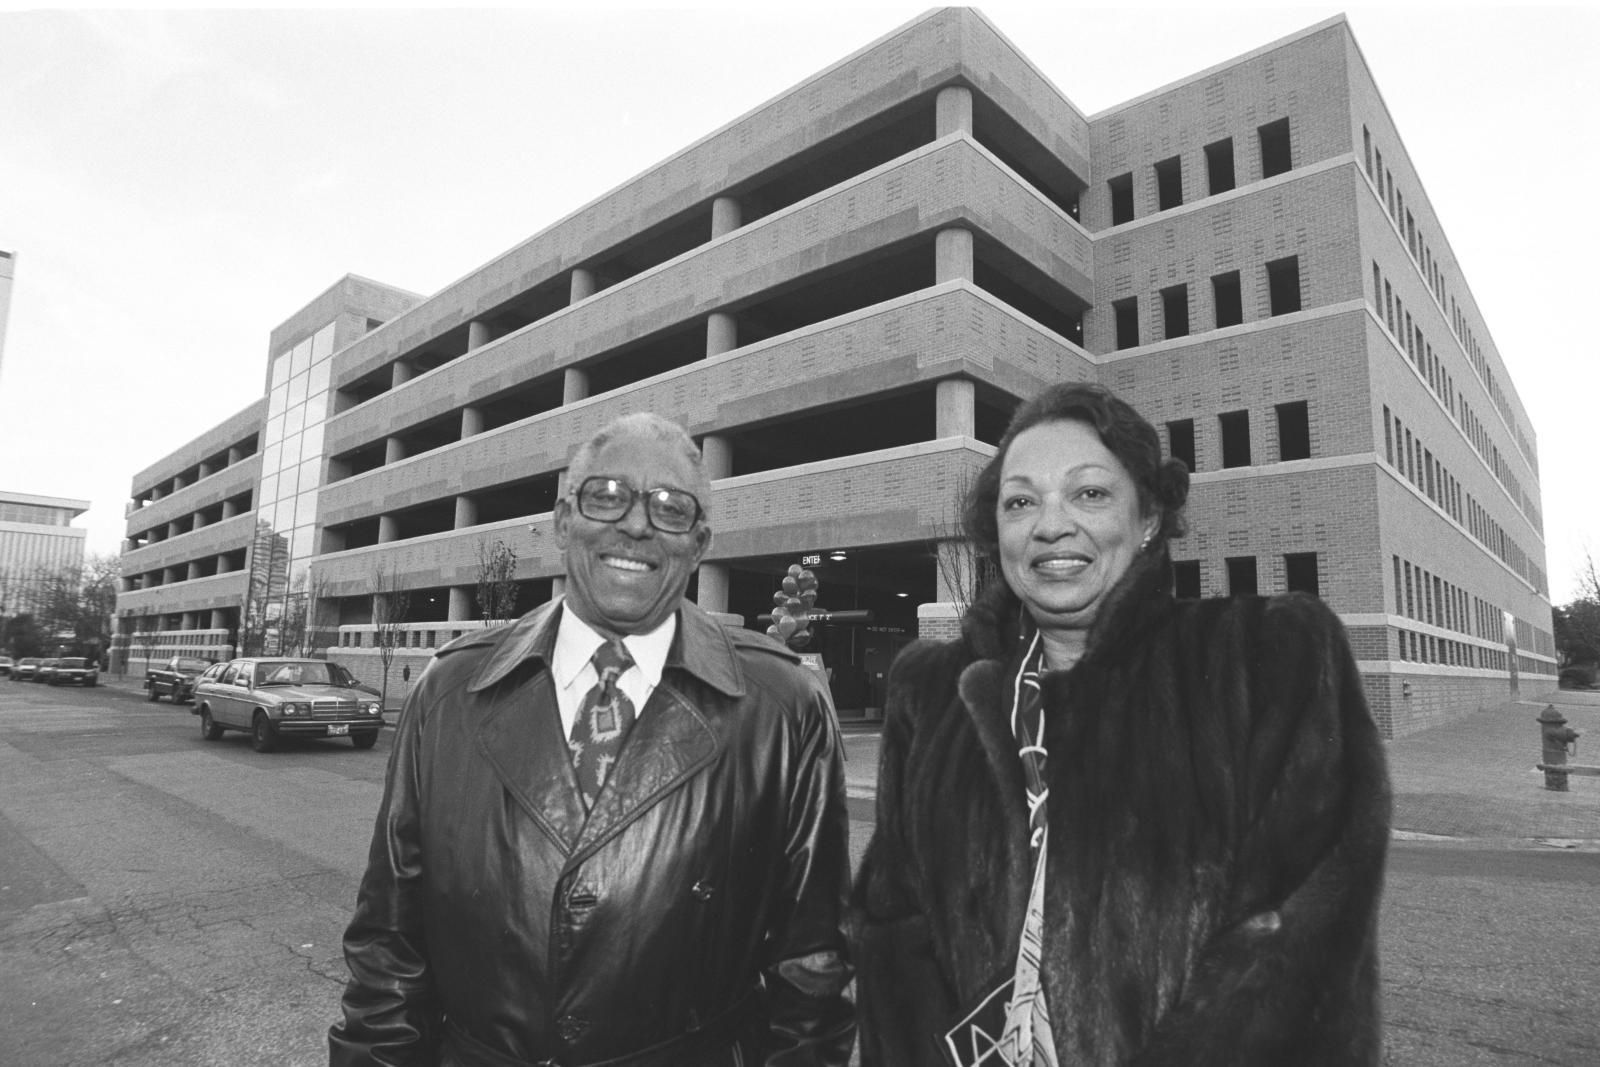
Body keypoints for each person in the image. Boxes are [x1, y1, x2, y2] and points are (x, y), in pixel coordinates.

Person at [851, 383, 1390, 1066]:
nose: (1051, 525)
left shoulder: (1267, 662)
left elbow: (1298, 950)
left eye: (1089, 494)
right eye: (1021, 501)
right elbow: (893, 928)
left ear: (1147, 517)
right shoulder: (930, 693)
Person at [330, 412, 855, 1066]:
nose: (635, 523)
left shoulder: (784, 708)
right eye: (605, 495)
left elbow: (811, 977)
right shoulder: (449, 690)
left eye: (670, 507)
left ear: (699, 543)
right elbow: (387, 954)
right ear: (561, 521)